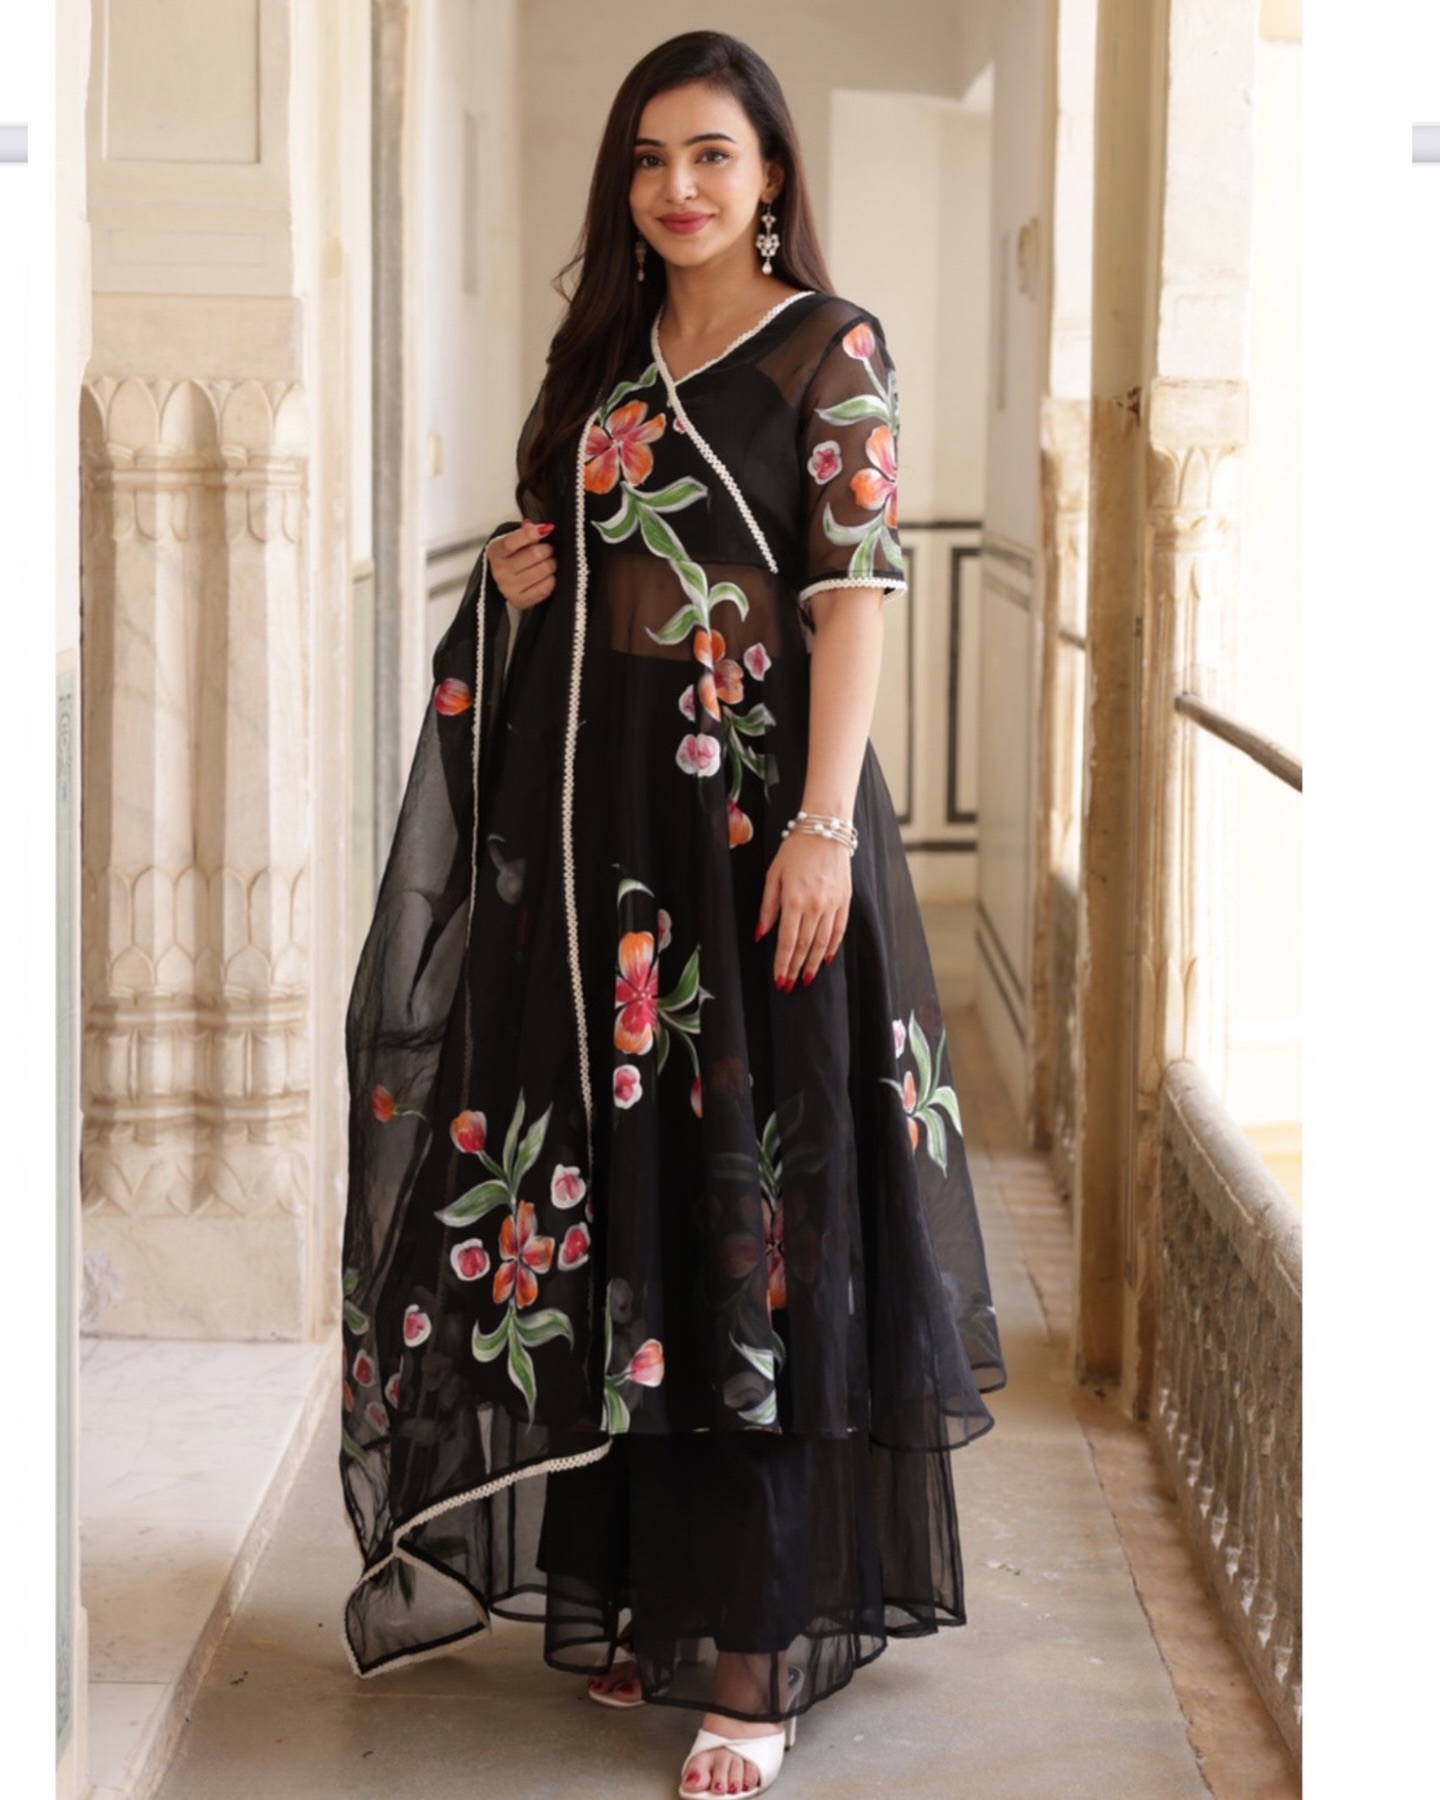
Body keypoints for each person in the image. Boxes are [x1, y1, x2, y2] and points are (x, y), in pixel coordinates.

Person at [339, 30, 1006, 1799]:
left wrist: (820, 834)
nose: (678, 187)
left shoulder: (829, 349)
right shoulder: (611, 359)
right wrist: (518, 580)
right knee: (617, 1204)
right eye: (650, 159)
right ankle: (647, 1588)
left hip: (752, 840)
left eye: (713, 154)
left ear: (771, 173)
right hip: (606, 859)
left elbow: (853, 600)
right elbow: (599, 576)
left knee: (746, 1218)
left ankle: (756, 1653)